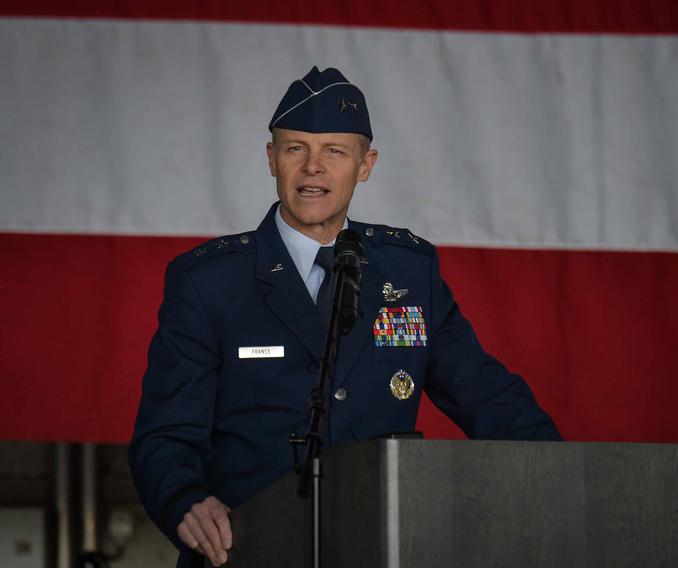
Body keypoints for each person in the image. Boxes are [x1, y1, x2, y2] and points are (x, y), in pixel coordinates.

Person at [129, 66, 561, 567]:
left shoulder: (409, 271)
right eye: (296, 149)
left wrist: (559, 474)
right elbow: (165, 438)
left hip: (375, 547)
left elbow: (487, 396)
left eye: (334, 151)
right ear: (272, 159)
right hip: (246, 551)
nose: (313, 168)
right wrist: (185, 499)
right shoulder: (209, 282)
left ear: (365, 164)